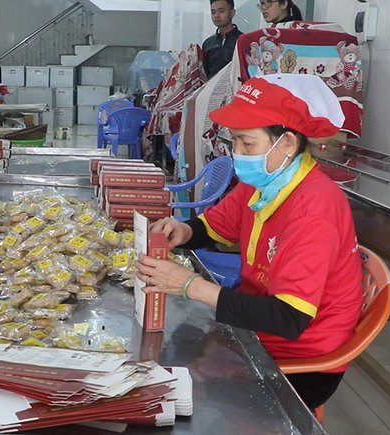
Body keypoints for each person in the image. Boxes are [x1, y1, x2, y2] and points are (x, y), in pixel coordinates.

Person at [136, 74, 362, 411]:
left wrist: (191, 286)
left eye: (248, 144)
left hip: (300, 358)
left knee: (173, 391)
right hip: (255, 329)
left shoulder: (314, 208)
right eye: (235, 142)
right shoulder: (264, 183)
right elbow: (213, 226)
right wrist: (183, 232)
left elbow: (289, 317)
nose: (238, 154)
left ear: (286, 143)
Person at [202, 0, 243, 79]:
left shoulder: (242, 40)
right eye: (213, 12)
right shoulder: (208, 43)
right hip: (211, 89)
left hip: (236, 88)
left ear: (232, 13)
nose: (216, 15)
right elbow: (206, 72)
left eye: (221, 11)